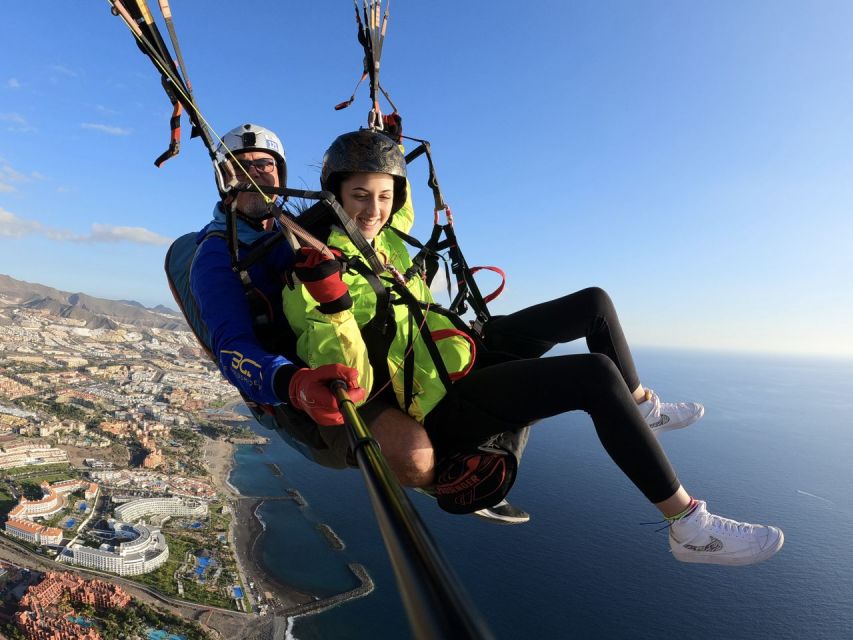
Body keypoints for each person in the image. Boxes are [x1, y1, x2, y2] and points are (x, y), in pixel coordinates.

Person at [281, 127, 785, 565]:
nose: (374, 209)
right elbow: (350, 382)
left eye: (384, 196)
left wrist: (387, 139)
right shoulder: (313, 268)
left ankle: (639, 408)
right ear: (335, 197)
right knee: (591, 376)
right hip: (435, 401)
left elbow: (397, 203)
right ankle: (687, 526)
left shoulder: (385, 238)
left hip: (458, 355)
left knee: (593, 303)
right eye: (360, 196)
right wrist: (333, 303)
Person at [187, 123, 520, 522]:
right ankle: (445, 479)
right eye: (239, 167)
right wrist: (292, 383)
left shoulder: (300, 224)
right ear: (221, 179)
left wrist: (386, 153)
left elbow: (385, 214)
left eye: (265, 165)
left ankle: (473, 451)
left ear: (281, 173)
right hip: (312, 388)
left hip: (358, 352)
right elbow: (232, 348)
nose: (254, 174)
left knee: (498, 361)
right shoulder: (217, 256)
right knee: (412, 453)